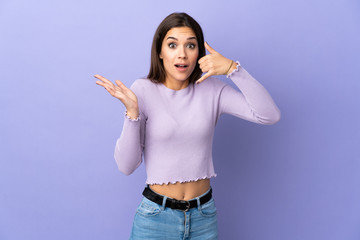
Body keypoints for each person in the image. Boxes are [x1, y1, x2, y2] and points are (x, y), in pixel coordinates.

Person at [94, 12, 280, 240]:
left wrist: (233, 69)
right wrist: (132, 113)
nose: (182, 54)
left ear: (198, 53)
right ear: (160, 52)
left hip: (203, 217)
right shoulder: (143, 90)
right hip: (155, 219)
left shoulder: (212, 89)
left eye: (190, 46)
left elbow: (269, 115)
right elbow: (126, 166)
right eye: (172, 45)